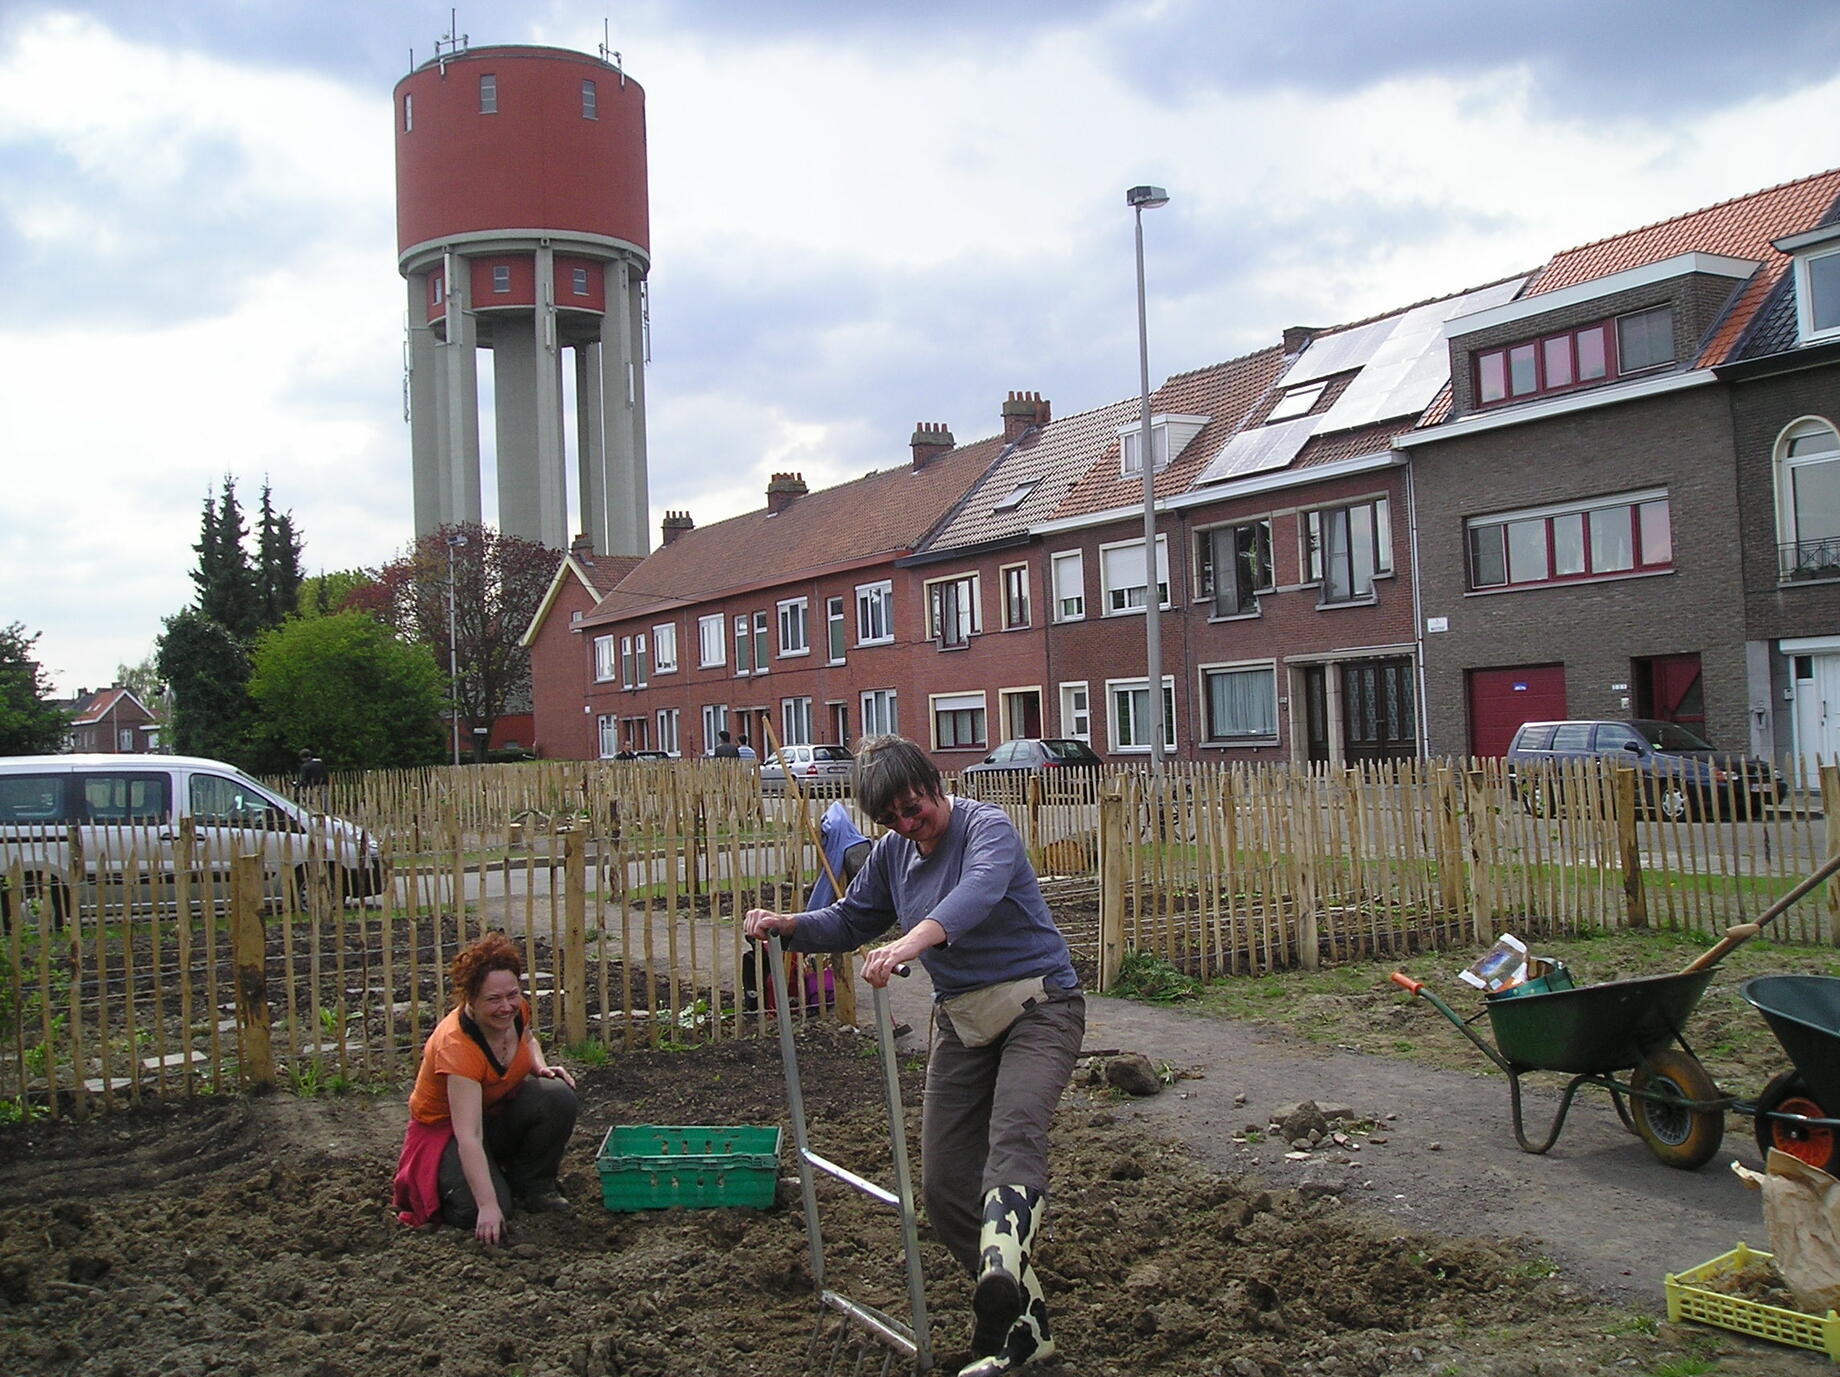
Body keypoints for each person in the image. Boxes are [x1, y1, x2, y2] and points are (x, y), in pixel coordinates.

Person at [745, 736, 1083, 1375]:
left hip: (1041, 1007)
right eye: (890, 818)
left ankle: (1002, 1273)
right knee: (945, 1184)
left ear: (933, 783)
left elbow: (976, 896)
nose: (906, 824)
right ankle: (1025, 1332)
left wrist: (911, 944)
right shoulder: (895, 853)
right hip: (962, 1024)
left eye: (913, 807)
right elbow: (848, 921)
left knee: (1013, 1136)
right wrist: (786, 925)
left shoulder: (988, 827)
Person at [390, 932, 579, 1244]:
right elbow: (469, 1135)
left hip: (493, 1113)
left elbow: (528, 1039)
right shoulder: (458, 1046)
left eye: (512, 995)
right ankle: (465, 1183)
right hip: (446, 1133)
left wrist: (539, 1067)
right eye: (493, 999)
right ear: (471, 1000)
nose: (505, 1007)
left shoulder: (517, 1011)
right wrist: (488, 1206)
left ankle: (534, 1185)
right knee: (478, 1213)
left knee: (556, 1095)